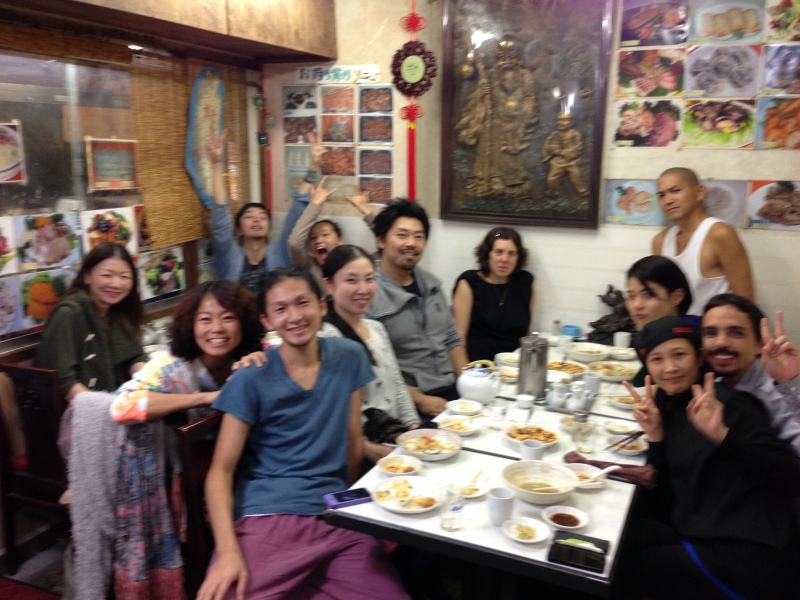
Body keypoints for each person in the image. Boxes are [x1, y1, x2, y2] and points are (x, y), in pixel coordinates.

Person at [198, 268, 408, 600]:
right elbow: (220, 473)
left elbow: (352, 443)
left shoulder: (349, 356)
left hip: (335, 515)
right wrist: (227, 553)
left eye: (303, 303)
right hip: (269, 515)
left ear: (322, 305)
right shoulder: (250, 377)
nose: (295, 317)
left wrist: (348, 504)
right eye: (281, 309)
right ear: (267, 320)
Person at [74, 281, 263, 598]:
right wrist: (205, 397)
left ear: (243, 322)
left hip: (241, 453)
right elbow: (121, 406)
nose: (217, 328)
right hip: (185, 464)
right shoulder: (172, 365)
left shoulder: (249, 357)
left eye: (228, 317)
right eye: (205, 319)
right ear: (191, 325)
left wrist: (259, 363)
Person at [621, 316, 800, 599]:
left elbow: (791, 477)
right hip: (699, 531)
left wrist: (724, 436)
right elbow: (665, 503)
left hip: (747, 555)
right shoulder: (668, 409)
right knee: (619, 537)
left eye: (679, 354)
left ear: (699, 357)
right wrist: (655, 436)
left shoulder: (730, 404)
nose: (669, 367)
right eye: (657, 359)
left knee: (627, 567)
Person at [319, 245, 420, 463]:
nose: (363, 289)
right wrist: (370, 449)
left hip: (396, 437)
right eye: (351, 280)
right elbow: (333, 414)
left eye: (369, 279)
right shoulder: (328, 339)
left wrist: (415, 430)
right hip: (362, 451)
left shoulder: (376, 328)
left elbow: (397, 385)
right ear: (328, 285)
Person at [367, 199, 468, 418]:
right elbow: (372, 367)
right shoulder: (368, 292)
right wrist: (420, 400)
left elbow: (451, 338)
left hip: (452, 392)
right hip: (407, 404)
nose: (411, 243)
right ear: (380, 240)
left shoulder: (432, 285)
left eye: (419, 236)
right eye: (402, 235)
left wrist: (469, 384)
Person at [35, 242, 147, 400]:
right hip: (82, 408)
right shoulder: (68, 314)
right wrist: (105, 409)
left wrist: (146, 383)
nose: (116, 284)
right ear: (87, 276)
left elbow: (134, 357)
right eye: (107, 275)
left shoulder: (119, 309)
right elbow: (65, 381)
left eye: (124, 277)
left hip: (120, 402)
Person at [207, 129, 306, 295]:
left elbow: (295, 216)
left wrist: (314, 166)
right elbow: (220, 220)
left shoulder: (280, 252)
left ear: (269, 230)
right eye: (249, 216)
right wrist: (216, 164)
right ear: (238, 229)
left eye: (262, 217)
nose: (256, 220)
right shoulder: (228, 256)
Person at [701, 293, 800, 457]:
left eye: (736, 333)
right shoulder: (712, 389)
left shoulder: (774, 391)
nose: (721, 342)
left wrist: (793, 382)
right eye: (711, 333)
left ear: (759, 344)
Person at [652, 167, 754, 315]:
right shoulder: (660, 241)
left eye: (675, 191)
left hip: (715, 326)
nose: (668, 200)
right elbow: (659, 298)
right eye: (661, 195)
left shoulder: (720, 234)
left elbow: (746, 301)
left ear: (699, 192)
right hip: (674, 327)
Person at [288, 133, 377, 290]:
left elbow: (386, 247)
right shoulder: (309, 267)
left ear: (340, 240)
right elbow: (294, 243)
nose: (318, 240)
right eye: (313, 237)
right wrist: (315, 204)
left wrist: (367, 210)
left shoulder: (357, 265)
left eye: (325, 234)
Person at [455, 35, 537, 199]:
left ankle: (512, 180)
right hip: (493, 120)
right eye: (502, 58)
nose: (506, 62)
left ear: (517, 58)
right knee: (490, 144)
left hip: (515, 120)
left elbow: (530, 97)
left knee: (510, 149)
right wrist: (482, 92)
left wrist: (523, 113)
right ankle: (491, 178)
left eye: (510, 57)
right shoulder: (492, 75)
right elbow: (475, 86)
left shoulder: (525, 76)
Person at [453, 227, 535, 362]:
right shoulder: (469, 283)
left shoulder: (525, 282)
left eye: (511, 254)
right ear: (487, 254)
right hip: (478, 365)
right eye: (499, 252)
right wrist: (465, 372)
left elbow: (526, 334)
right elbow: (458, 338)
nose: (504, 259)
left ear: (518, 258)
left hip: (513, 365)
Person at [625, 255, 693, 387]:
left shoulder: (692, 338)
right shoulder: (644, 339)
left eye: (648, 294)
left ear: (676, 297)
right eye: (631, 296)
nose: (637, 305)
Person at [542, 111, 589, 208]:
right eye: (559, 120)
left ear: (571, 122)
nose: (561, 122)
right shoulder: (555, 134)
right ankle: (554, 191)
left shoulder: (576, 134)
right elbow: (548, 145)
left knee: (576, 177)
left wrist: (562, 152)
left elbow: (578, 148)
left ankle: (583, 192)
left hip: (572, 162)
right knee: (551, 178)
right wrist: (551, 149)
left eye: (564, 120)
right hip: (559, 162)